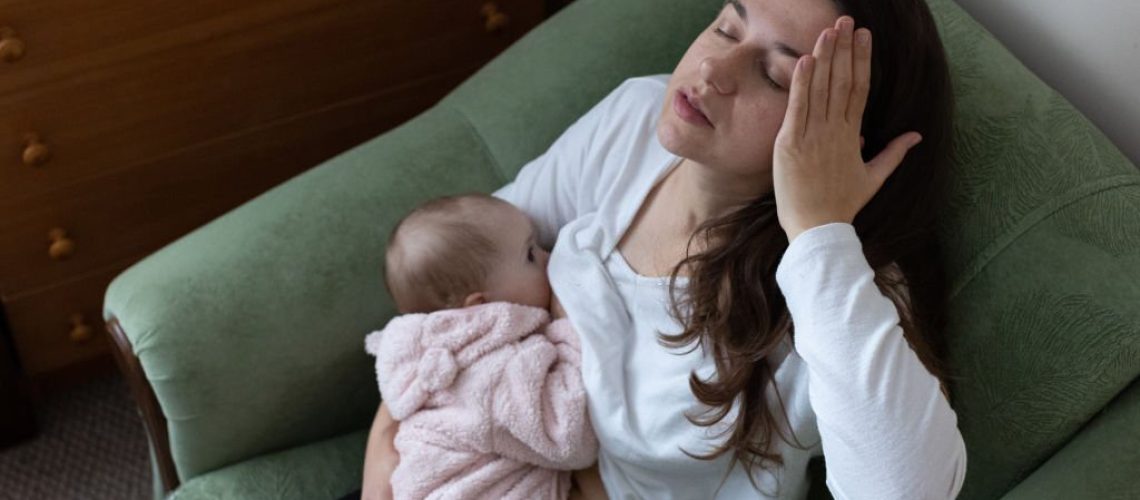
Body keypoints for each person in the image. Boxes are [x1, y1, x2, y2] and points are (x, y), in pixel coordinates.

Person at [359, 0, 967, 498]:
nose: (713, 70)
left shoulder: (842, 296)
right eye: (727, 25)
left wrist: (817, 229)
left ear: (838, 140)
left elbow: (907, 491)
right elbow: (456, 276)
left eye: (774, 75)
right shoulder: (633, 120)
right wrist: (388, 446)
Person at [364, 194, 596, 499]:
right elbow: (572, 439)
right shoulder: (489, 375)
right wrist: (569, 326)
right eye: (530, 254)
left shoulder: (417, 356)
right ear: (481, 304)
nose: (548, 255)